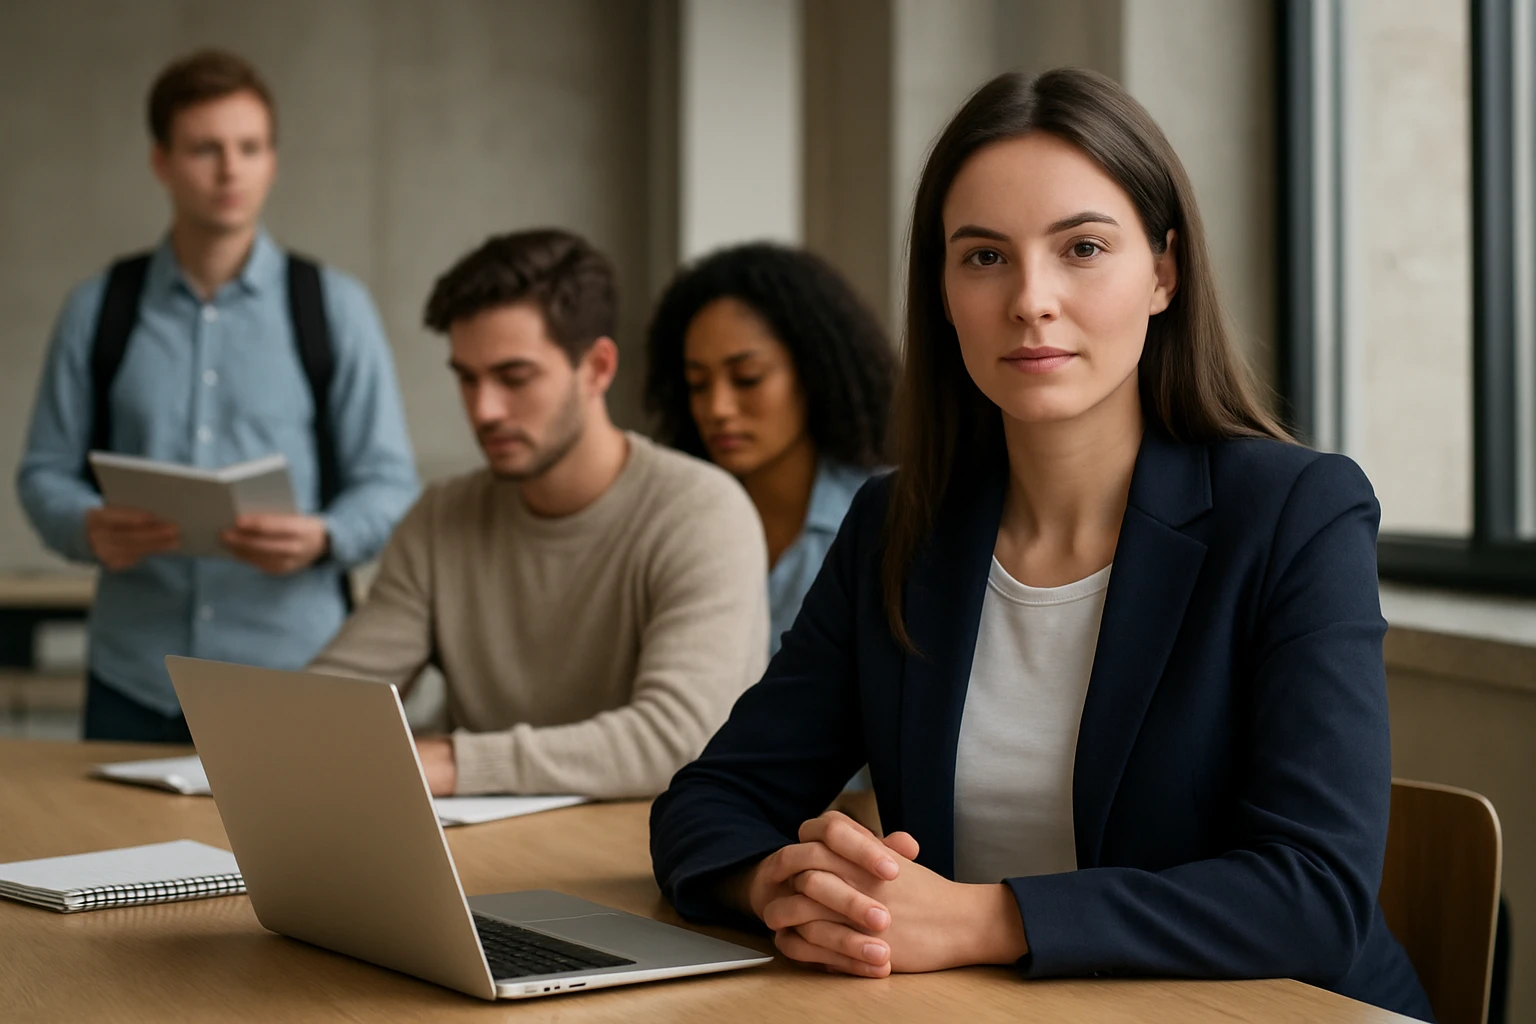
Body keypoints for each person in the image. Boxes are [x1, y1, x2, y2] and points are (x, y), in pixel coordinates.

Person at [649, 68, 1434, 1021]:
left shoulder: (1296, 513)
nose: (1031, 299)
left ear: (1163, 272)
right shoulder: (900, 524)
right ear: (941, 291)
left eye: (1083, 248)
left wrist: (989, 920)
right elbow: (710, 804)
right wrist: (781, 886)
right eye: (984, 258)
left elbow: (1316, 896)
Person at [16, 49, 418, 743]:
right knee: (108, 853)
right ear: (161, 162)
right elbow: (42, 472)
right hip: (133, 682)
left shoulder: (334, 309)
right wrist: (89, 526)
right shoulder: (99, 307)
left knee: (298, 859)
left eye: (250, 147)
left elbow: (389, 484)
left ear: (273, 160)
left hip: (298, 678)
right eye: (206, 148)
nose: (231, 169)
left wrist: (323, 537)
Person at [308, 229, 769, 800]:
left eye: (514, 377)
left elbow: (678, 738)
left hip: (647, 859)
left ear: (598, 367)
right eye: (467, 378)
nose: (485, 410)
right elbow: (328, 705)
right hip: (490, 856)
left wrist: (455, 762)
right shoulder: (441, 519)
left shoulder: (702, 513)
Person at [644, 243, 896, 656]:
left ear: (813, 372)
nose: (718, 409)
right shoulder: (673, 521)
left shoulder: (887, 522)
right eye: (698, 384)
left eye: (747, 378)